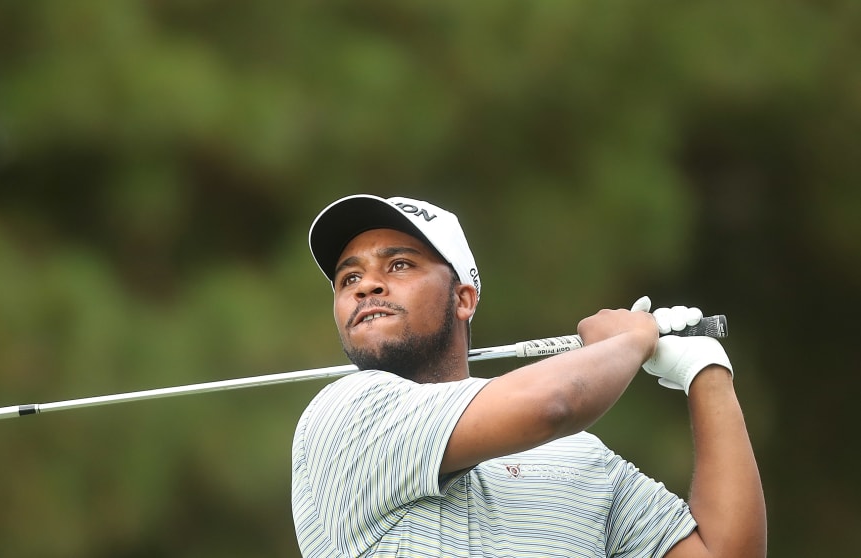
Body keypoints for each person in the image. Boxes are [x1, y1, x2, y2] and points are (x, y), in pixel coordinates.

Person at [291, 194, 766, 557]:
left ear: (463, 299)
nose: (367, 286)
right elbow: (551, 404)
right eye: (348, 278)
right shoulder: (346, 414)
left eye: (399, 264)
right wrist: (631, 339)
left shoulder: (580, 458)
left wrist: (705, 373)